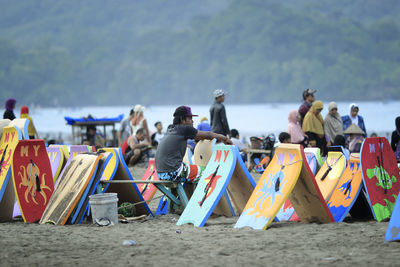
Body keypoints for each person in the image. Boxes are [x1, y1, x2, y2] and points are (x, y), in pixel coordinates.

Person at [155, 105, 232, 183]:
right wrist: (225, 139)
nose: (193, 121)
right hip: (174, 172)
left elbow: (198, 136)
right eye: (190, 118)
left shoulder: (170, 129)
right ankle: (205, 195)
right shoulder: (185, 129)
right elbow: (208, 135)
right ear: (182, 119)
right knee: (210, 173)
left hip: (161, 174)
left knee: (194, 170)